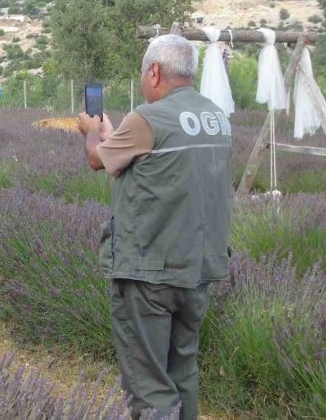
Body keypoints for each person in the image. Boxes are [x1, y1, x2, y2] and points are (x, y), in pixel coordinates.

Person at [77, 34, 233, 420]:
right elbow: (155, 161)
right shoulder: (216, 117)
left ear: (156, 71)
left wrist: (89, 133)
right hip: (198, 268)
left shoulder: (147, 117)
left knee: (149, 384)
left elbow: (99, 161)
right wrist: (114, 135)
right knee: (183, 371)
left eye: (144, 72)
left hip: (150, 272)